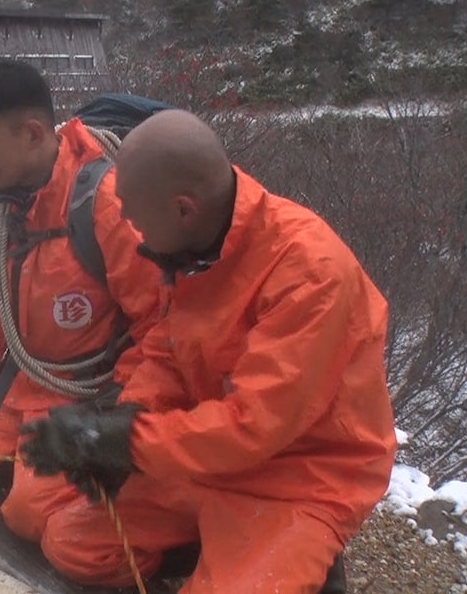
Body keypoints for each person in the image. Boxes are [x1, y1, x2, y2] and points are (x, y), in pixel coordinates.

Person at [20, 109, 397, 593]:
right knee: (71, 544)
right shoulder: (191, 247)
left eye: (132, 211)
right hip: (204, 457)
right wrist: (123, 418)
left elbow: (252, 426)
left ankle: (296, 558)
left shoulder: (310, 271)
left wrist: (122, 441)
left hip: (299, 476)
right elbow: (167, 353)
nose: (128, 225)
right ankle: (215, 548)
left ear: (183, 208)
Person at [0, 61, 162, 562]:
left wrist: (119, 419)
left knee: (27, 516)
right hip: (21, 382)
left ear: (32, 133)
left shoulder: (107, 205)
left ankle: (101, 495)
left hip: (91, 393)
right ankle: (21, 463)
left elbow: (158, 325)